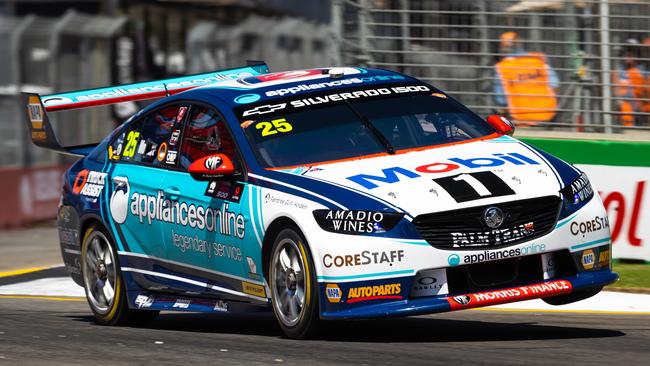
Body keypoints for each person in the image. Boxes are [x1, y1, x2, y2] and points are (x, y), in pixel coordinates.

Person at [493, 31, 560, 126]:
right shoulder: (538, 60)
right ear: (520, 43)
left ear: (502, 47)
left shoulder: (502, 68)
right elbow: (555, 85)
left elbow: (501, 100)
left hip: (521, 120)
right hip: (549, 116)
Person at [613, 38, 647, 127]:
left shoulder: (643, 72)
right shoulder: (618, 72)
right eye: (626, 51)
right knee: (624, 105)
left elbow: (644, 94)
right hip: (623, 111)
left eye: (632, 51)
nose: (628, 54)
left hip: (640, 111)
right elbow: (616, 94)